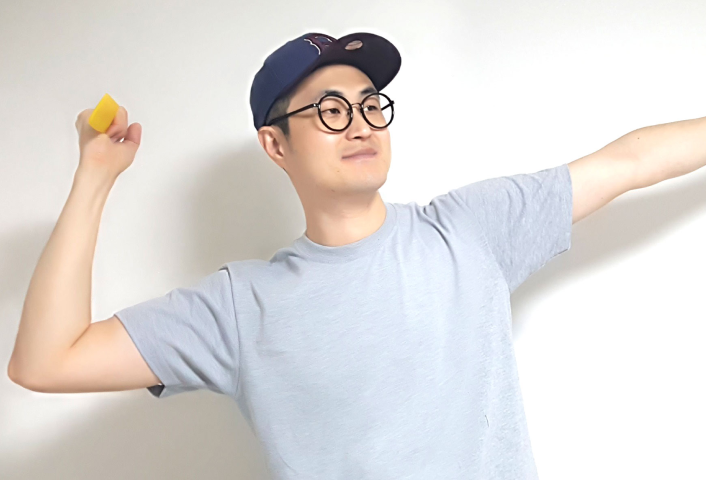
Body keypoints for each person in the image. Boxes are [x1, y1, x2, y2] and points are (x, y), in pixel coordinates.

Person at [11, 31, 668, 479]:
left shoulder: (469, 230)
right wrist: (94, 177)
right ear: (276, 145)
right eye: (329, 110)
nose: (359, 124)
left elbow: (628, 163)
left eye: (370, 105)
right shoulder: (240, 307)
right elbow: (45, 362)